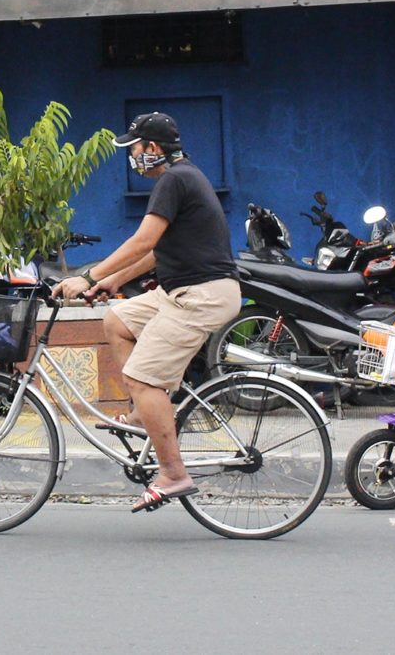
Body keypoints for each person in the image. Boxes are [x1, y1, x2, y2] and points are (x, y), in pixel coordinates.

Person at [52, 112, 240, 513]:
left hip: (200, 295)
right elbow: (157, 252)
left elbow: (144, 239)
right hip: (183, 288)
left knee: (141, 374)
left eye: (134, 148)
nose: (132, 157)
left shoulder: (174, 179)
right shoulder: (183, 176)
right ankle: (144, 414)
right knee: (116, 320)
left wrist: (88, 276)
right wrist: (114, 281)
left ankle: (173, 473)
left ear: (153, 149)